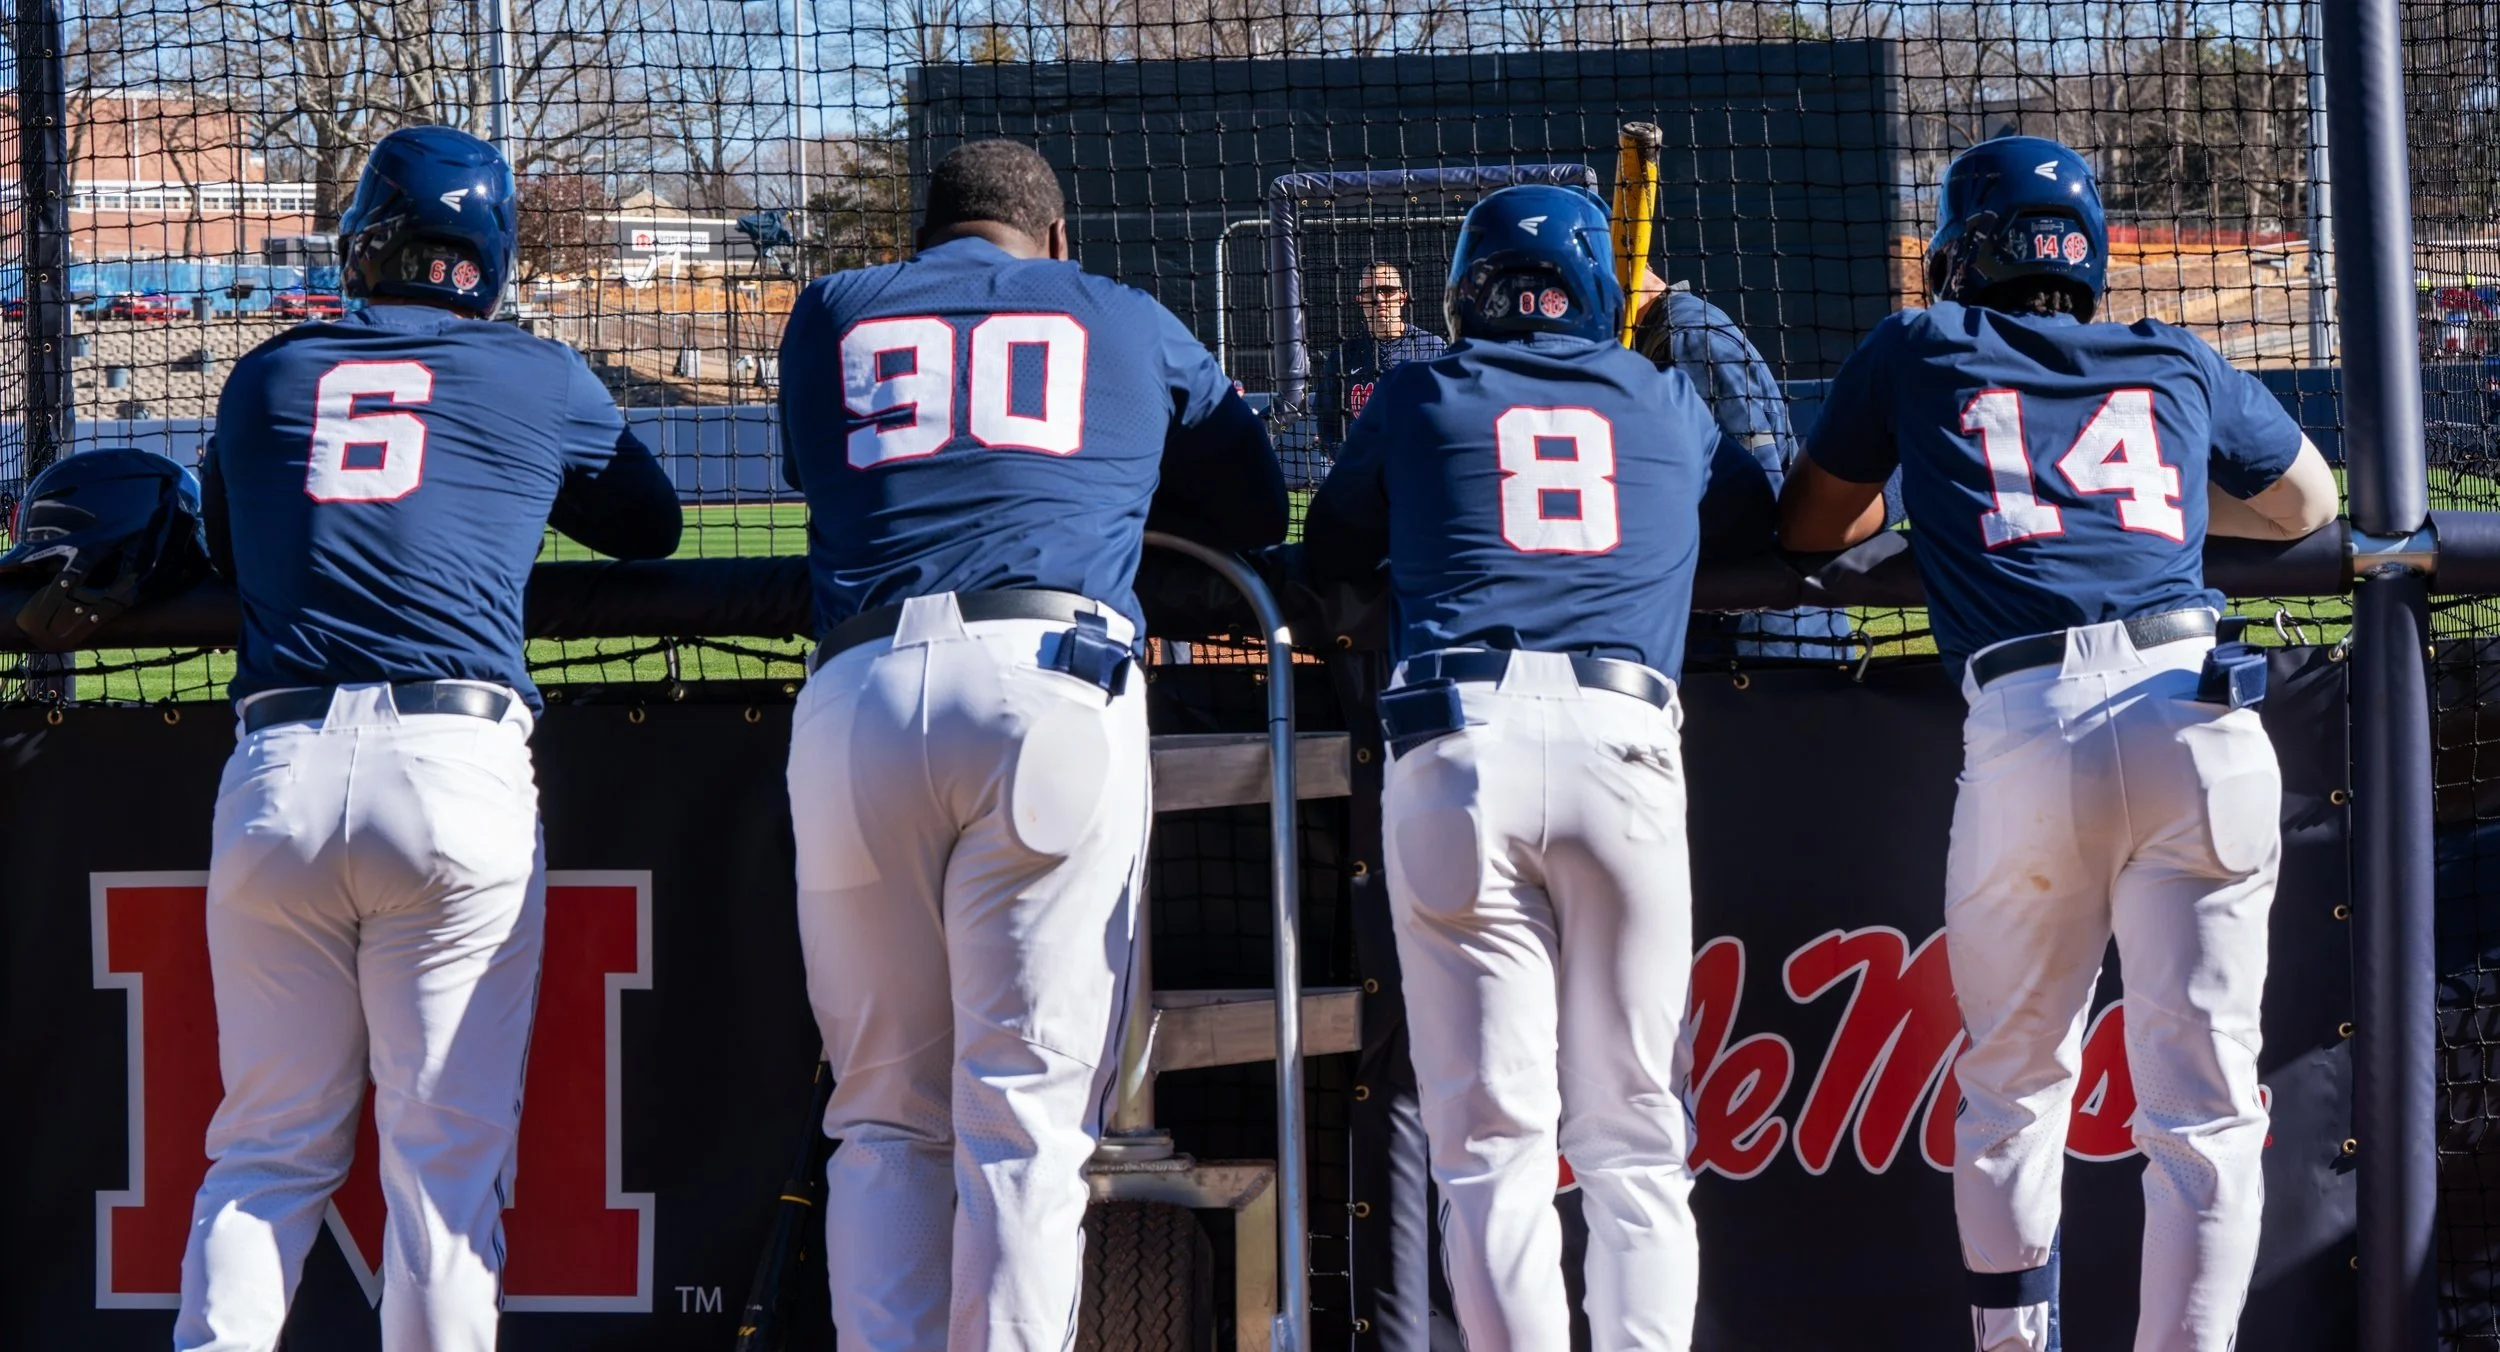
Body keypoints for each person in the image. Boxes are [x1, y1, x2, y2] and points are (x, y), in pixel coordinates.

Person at [1777, 134, 2338, 1352]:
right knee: (2204, 1113)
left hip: (2034, 727)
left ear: (1958, 250)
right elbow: (2309, 505)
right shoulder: (2174, 357)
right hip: (2198, 708)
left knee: (2014, 1087)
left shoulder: (1920, 347)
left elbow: (1809, 521)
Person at [775, 138, 1286, 1350]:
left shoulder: (834, 309)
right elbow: (1255, 507)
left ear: (922, 239)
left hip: (858, 692)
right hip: (1051, 688)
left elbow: (822, 466)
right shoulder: (1122, 311)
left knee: (886, 1120)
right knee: (1022, 1121)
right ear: (1054, 240)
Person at [181, 125, 682, 1350]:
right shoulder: (537, 370)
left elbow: (227, 557)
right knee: (441, 1175)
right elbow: (649, 529)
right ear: (489, 252)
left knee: (263, 1151)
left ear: (365, 242)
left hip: (280, 770)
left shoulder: (267, 373)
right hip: (454, 768)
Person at [1301, 183, 1773, 1351]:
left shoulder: (1417, 387)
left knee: (1492, 1149)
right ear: (1598, 295)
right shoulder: (1664, 397)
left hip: (1460, 747)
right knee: (1636, 1139)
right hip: (1623, 749)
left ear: (1467, 292)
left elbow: (1332, 547)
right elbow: (1764, 511)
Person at [1631, 267, 1854, 661]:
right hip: (1759, 639)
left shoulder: (1686, 339)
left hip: (1766, 649)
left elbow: (1753, 505)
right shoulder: (1674, 332)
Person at [1311, 261, 1449, 453]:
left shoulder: (1433, 348)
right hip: (1365, 474)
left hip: (1419, 468)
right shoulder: (1343, 357)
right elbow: (1328, 427)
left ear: (1402, 297)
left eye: (1387, 290)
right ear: (1360, 299)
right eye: (1370, 292)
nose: (1379, 300)